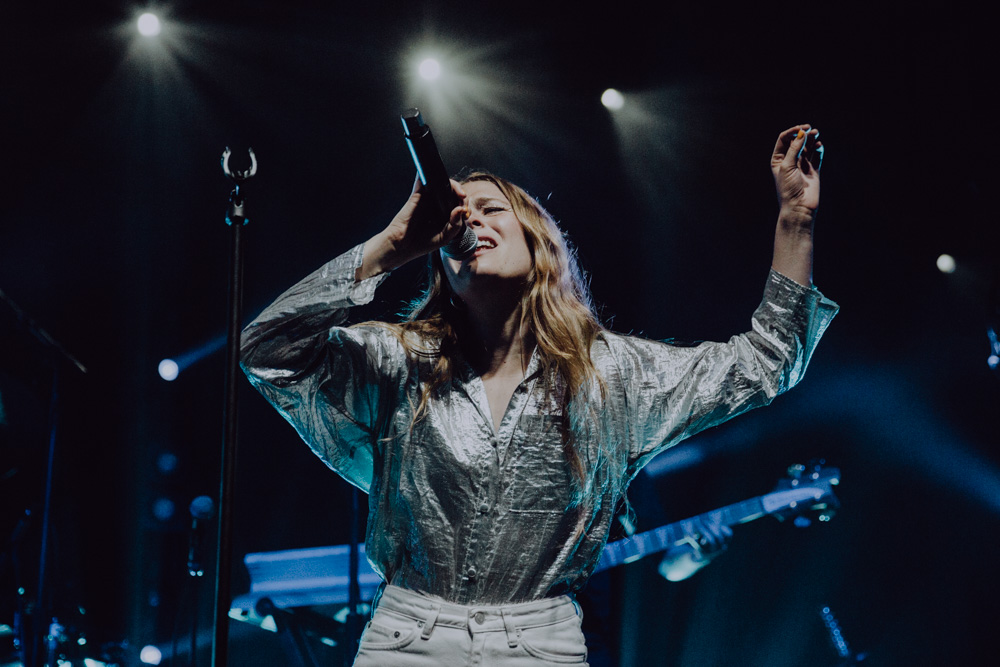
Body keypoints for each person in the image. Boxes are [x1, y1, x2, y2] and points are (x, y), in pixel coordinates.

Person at [240, 125, 838, 666]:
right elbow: (265, 351)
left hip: (538, 643)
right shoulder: (398, 360)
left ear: (538, 242)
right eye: (456, 216)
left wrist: (796, 222)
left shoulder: (615, 375)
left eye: (490, 209)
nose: (469, 221)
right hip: (407, 638)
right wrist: (393, 244)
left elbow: (766, 361)